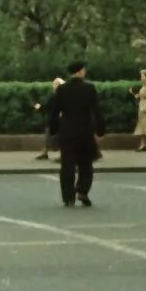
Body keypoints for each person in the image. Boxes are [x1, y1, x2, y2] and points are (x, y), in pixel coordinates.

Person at [49, 61, 105, 207]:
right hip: (85, 130)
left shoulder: (62, 89)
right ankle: (82, 189)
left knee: (67, 165)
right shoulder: (89, 88)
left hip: (67, 131)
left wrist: (53, 129)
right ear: (80, 72)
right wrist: (100, 129)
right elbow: (96, 110)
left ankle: (68, 197)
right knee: (86, 164)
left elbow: (54, 111)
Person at [34, 77, 64, 161]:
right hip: (52, 119)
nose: (53, 85)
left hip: (58, 120)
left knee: (59, 138)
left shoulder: (59, 95)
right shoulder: (54, 94)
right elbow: (48, 107)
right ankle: (45, 153)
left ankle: (61, 155)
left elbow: (51, 106)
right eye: (54, 83)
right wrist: (40, 107)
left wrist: (40, 107)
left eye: (55, 84)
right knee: (49, 136)